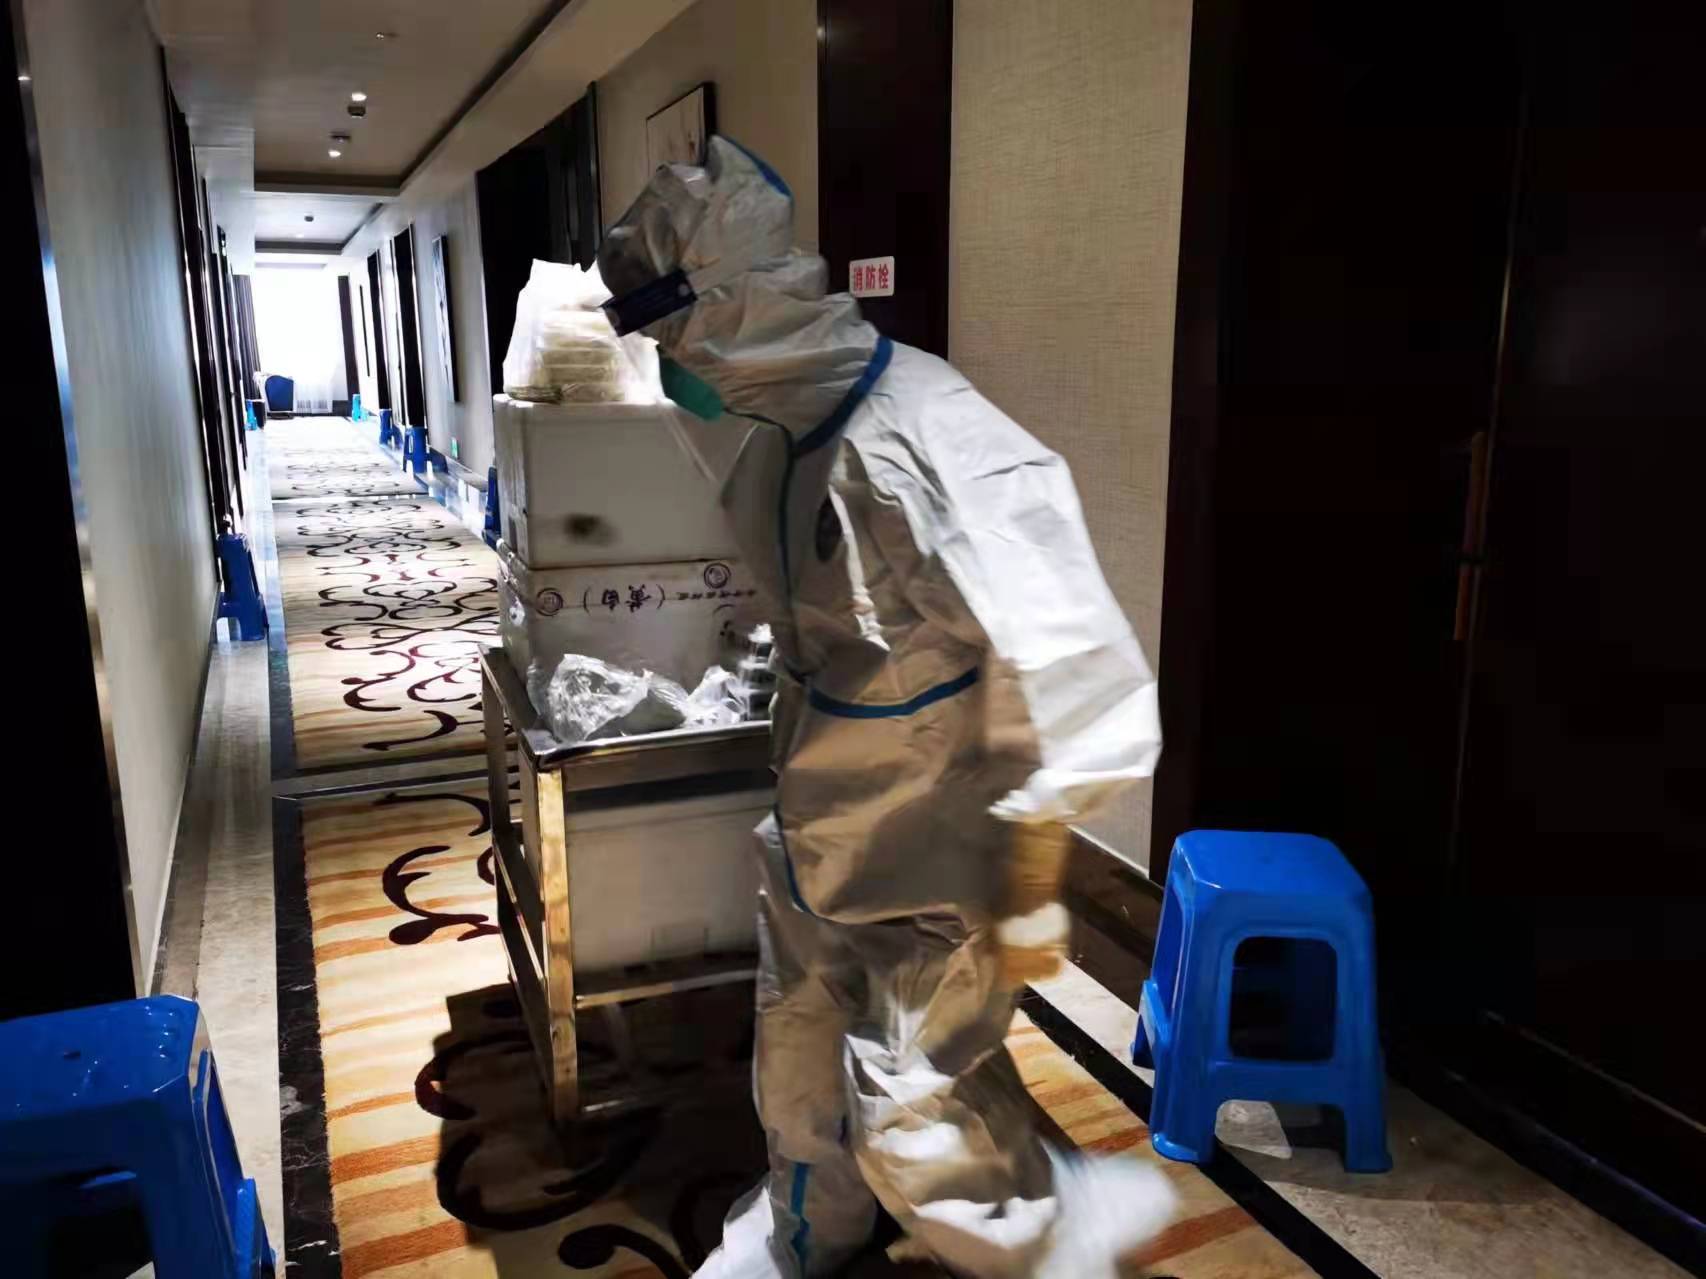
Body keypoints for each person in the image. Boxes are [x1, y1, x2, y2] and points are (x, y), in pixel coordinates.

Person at [599, 137, 1173, 1278]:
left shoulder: (931, 434)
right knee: (798, 1056)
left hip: (932, 845)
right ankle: (807, 1229)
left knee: (912, 1102)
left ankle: (1052, 1236)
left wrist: (1031, 867)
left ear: (732, 307)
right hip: (819, 827)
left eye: (670, 336)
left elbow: (1077, 665)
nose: (668, 366)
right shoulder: (775, 444)